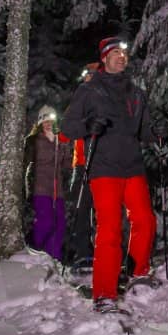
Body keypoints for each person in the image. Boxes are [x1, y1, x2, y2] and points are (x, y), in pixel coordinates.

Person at [61, 37, 168, 313]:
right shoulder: (89, 91)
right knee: (109, 229)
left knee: (145, 220)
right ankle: (104, 294)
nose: (121, 57)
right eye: (116, 53)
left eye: (124, 54)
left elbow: (143, 131)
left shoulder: (136, 92)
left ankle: (138, 273)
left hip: (133, 166)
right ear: (105, 58)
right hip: (103, 168)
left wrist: (156, 130)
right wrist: (88, 124)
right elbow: (68, 127)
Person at [62, 63, 101, 268]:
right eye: (88, 75)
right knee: (82, 207)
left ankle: (105, 251)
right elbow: (67, 128)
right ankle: (83, 252)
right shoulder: (79, 101)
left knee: (104, 210)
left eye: (94, 75)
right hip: (82, 164)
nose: (90, 78)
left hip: (103, 164)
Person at [24, 105, 73, 260]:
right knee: (45, 223)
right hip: (40, 189)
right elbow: (26, 163)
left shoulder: (59, 140)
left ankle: (53, 258)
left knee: (60, 225)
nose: (48, 123)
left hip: (57, 191)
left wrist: (66, 150)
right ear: (39, 123)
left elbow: (66, 165)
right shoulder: (34, 141)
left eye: (51, 120)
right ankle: (37, 254)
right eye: (45, 120)